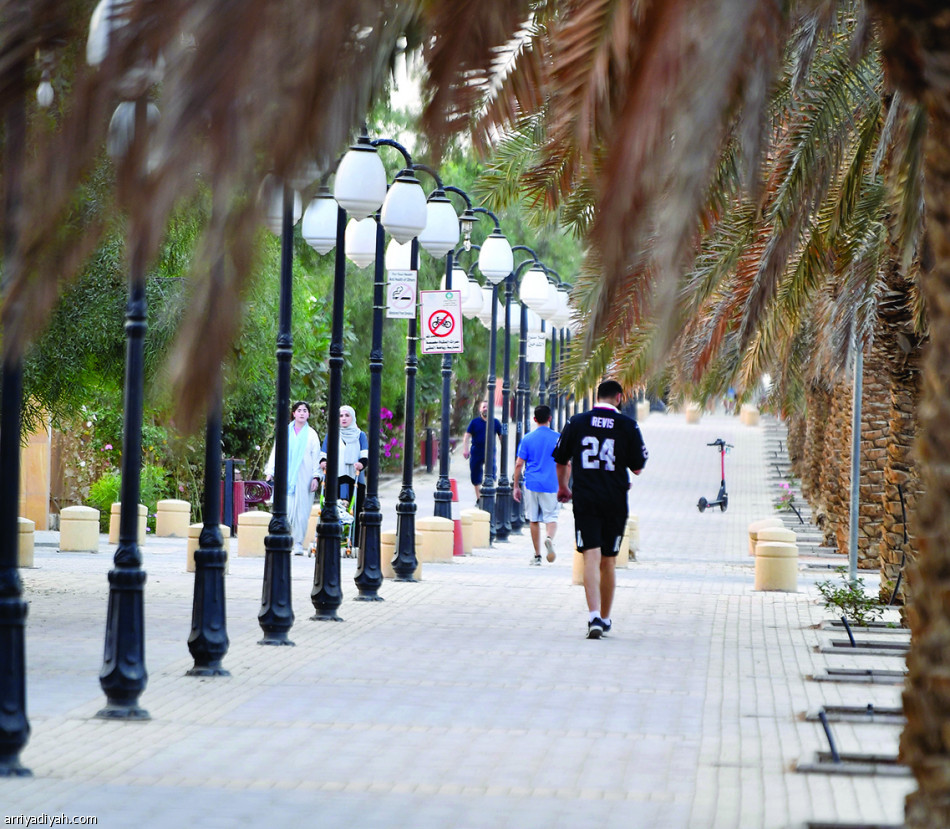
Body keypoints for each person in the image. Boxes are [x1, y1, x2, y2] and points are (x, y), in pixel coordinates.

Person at [553, 380, 648, 639]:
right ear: (618, 397)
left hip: (586, 499)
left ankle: (593, 616)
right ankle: (605, 619)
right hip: (615, 500)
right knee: (609, 561)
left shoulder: (577, 422)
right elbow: (638, 468)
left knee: (590, 556)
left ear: (597, 397)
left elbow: (560, 459)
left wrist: (563, 487)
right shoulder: (628, 426)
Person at [264, 401, 321, 556]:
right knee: (286, 509)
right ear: (293, 413)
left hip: (305, 477)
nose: (302, 413)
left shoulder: (312, 435)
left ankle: (297, 543)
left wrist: (316, 477)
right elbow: (276, 452)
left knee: (302, 512)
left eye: (305, 410)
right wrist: (270, 471)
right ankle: (285, 539)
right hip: (286, 477)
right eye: (299, 410)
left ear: (308, 414)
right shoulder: (285, 432)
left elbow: (316, 457)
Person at [513, 405, 561, 566]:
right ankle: (549, 538)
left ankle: (537, 555)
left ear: (534, 419)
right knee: (551, 517)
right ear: (550, 418)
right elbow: (566, 463)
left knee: (533, 519)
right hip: (552, 483)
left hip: (531, 482)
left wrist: (515, 486)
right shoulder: (558, 438)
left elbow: (519, 464)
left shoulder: (527, 438)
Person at [319, 405, 369, 554]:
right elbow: (323, 454)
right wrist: (323, 462)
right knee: (334, 508)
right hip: (335, 477)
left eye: (347, 415)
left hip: (354, 478)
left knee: (355, 510)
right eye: (341, 416)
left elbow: (364, 456)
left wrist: (361, 464)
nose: (344, 418)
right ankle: (332, 540)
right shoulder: (332, 434)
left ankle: (354, 542)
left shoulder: (360, 435)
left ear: (352, 417)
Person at [461, 399, 502, 500]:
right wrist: (465, 449)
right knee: (475, 475)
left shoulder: (495, 422)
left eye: (487, 407)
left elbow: (501, 436)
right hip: (476, 451)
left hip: (490, 452)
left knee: (491, 473)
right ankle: (479, 498)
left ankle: (489, 496)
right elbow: (467, 436)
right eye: (483, 407)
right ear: (480, 409)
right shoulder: (474, 422)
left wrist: (504, 449)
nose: (485, 409)